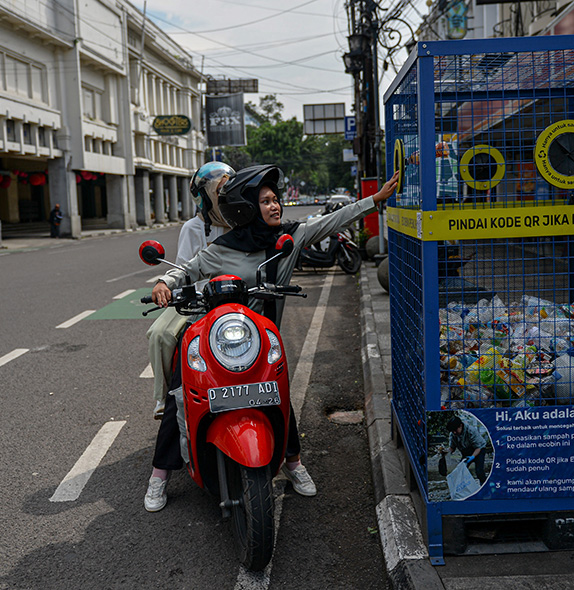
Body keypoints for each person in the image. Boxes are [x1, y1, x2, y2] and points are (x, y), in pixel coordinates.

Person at [144, 164, 400, 512]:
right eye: (265, 201)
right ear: (246, 207)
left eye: (276, 199)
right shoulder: (221, 249)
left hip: (261, 340)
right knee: (182, 391)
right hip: (219, 338)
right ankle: (159, 475)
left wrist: (375, 199)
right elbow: (186, 269)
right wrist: (164, 283)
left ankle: (293, 463)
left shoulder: (288, 241)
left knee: (276, 392)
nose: (275, 205)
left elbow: (331, 222)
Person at [145, 161, 235, 421]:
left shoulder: (242, 222)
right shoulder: (193, 228)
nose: (225, 196)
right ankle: (164, 398)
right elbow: (183, 267)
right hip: (198, 300)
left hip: (237, 296)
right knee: (160, 334)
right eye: (219, 191)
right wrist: (167, 285)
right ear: (204, 195)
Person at [445, 415, 488, 485]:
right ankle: (462, 487)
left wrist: (472, 457)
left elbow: (478, 448)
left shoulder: (470, 431)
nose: (454, 432)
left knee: (479, 471)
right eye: (453, 431)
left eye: (455, 430)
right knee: (460, 470)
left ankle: (484, 485)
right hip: (465, 451)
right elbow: (452, 448)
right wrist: (446, 452)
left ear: (460, 426)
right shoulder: (453, 434)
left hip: (478, 449)